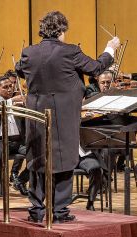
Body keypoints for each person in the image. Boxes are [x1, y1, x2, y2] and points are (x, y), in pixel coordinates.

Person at [15, 11, 119, 223]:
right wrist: (111, 48)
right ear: (61, 30)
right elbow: (97, 67)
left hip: (36, 116)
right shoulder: (70, 51)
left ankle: (37, 209)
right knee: (64, 159)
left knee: (38, 159)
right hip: (63, 116)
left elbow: (19, 70)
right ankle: (60, 211)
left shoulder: (29, 52)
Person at [0, 76, 28, 197]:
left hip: (18, 141)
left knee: (39, 156)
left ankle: (21, 180)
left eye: (11, 86)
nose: (10, 89)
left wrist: (25, 106)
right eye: (5, 87)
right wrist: (11, 102)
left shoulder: (20, 99)